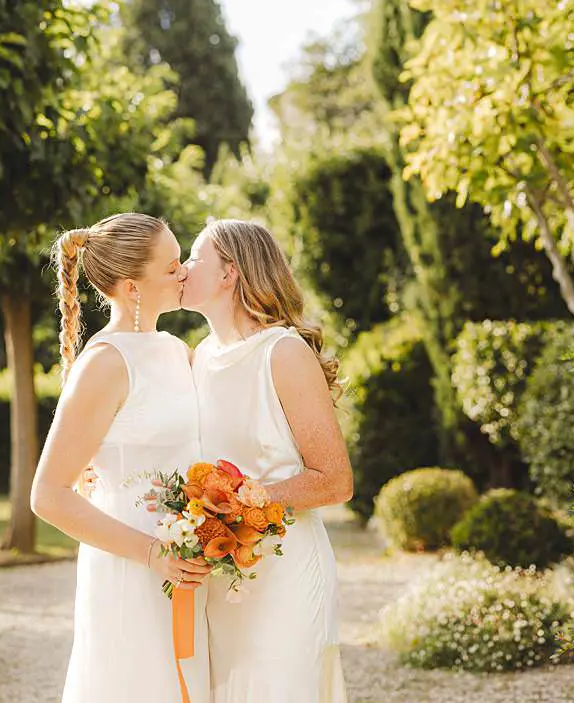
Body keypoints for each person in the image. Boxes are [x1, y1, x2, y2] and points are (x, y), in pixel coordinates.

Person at [31, 212, 211, 702]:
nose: (185, 273)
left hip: (187, 562)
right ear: (132, 288)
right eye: (172, 266)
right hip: (132, 566)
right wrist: (155, 555)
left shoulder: (176, 350)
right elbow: (47, 495)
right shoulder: (105, 363)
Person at [181, 219, 351, 703]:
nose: (183, 270)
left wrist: (238, 501)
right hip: (224, 573)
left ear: (229, 272)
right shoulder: (200, 357)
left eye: (195, 258)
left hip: (284, 569)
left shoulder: (283, 352)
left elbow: (335, 481)